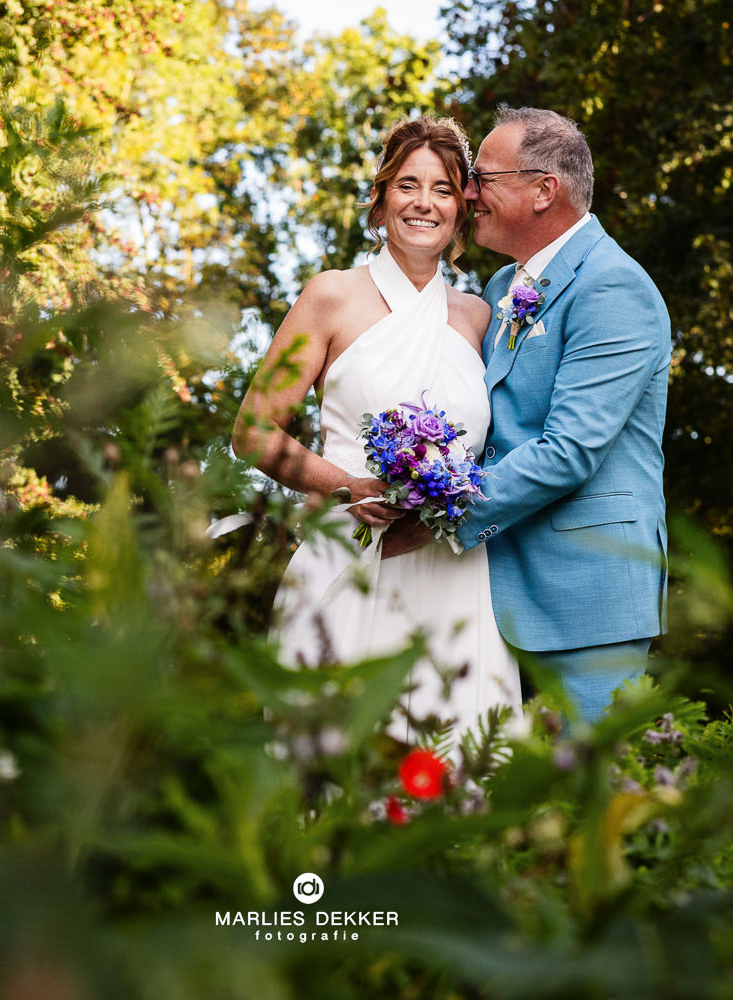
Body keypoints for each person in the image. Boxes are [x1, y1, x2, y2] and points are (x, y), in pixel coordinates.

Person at [232, 117, 520, 742]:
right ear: (382, 196)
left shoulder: (478, 315)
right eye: (408, 184)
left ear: (462, 208)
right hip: (352, 550)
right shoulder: (331, 296)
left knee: (456, 757)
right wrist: (346, 486)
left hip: (454, 568)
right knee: (338, 750)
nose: (424, 202)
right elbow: (253, 431)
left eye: (443, 189)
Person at [390, 105, 671, 724]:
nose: (468, 193)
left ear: (545, 190)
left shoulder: (613, 287)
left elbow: (569, 451)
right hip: (488, 586)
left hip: (588, 589)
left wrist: (440, 517)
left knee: (597, 795)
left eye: (483, 178)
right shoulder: (497, 291)